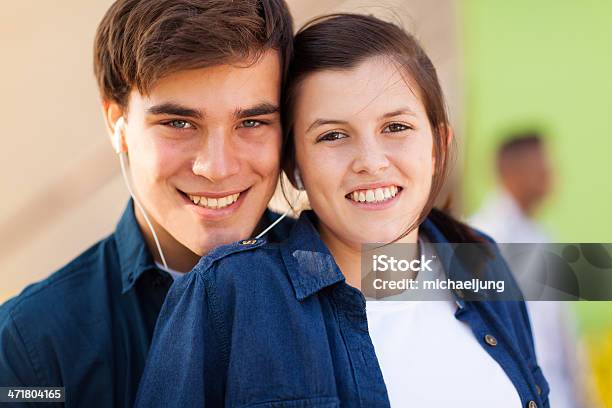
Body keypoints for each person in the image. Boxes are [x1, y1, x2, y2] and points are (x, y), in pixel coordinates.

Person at [136, 14, 550, 408]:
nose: (371, 161)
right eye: (333, 135)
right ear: (294, 165)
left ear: (438, 144)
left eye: (396, 127)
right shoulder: (229, 292)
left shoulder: (483, 261)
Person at [0, 0, 294, 406]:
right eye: (178, 123)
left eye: (252, 122)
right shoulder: (29, 341)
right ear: (115, 123)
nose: (217, 167)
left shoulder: (358, 268)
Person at [469, 133, 582, 408]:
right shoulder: (479, 239)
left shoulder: (542, 235)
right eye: (540, 166)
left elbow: (561, 337)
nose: (550, 174)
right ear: (511, 172)